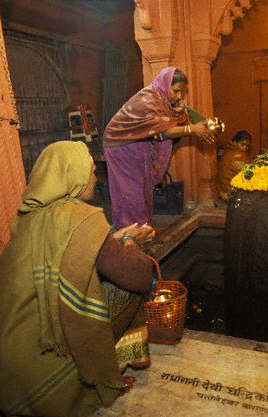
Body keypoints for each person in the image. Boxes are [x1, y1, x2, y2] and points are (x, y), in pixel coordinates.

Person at [0, 141, 156, 417]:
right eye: (92, 171)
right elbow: (140, 277)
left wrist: (114, 241)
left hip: (12, 366)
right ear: (75, 175)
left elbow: (66, 255)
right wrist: (132, 241)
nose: (95, 177)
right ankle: (107, 370)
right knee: (128, 287)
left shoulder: (27, 219)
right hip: (48, 360)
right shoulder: (81, 218)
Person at [103, 66, 216, 231]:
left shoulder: (162, 100)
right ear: (165, 84)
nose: (178, 96)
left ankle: (143, 227)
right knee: (130, 190)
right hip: (121, 146)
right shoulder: (147, 100)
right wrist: (193, 130)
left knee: (145, 188)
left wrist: (185, 118)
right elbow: (164, 130)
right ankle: (130, 231)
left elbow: (165, 127)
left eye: (182, 93)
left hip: (139, 143)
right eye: (176, 91)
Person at [217, 130, 252, 201]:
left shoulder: (229, 150)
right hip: (230, 193)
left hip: (223, 191)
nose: (245, 148)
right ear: (235, 142)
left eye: (247, 146)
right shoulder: (236, 156)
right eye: (242, 144)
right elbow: (247, 174)